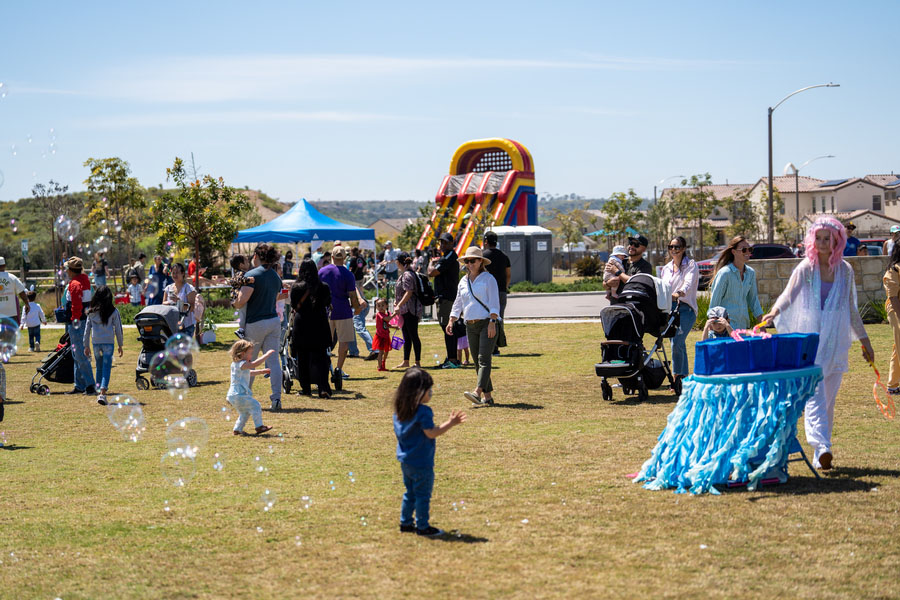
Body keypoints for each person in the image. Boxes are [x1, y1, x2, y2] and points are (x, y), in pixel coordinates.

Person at [760, 216, 874, 471]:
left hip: (835, 342)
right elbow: (788, 295)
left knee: (828, 400)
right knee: (815, 395)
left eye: (827, 238)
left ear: (837, 241)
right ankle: (822, 446)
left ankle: (820, 454)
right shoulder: (806, 268)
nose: (822, 243)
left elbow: (851, 309)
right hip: (811, 342)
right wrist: (774, 312)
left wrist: (866, 342)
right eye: (818, 238)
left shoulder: (845, 270)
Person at [393, 367, 466, 538]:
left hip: (405, 461)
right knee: (422, 496)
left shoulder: (400, 410)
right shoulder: (423, 412)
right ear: (419, 392)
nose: (431, 392)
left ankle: (405, 523)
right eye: (429, 389)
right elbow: (431, 433)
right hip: (421, 462)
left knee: (410, 493)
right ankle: (423, 527)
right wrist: (450, 423)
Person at [448, 246, 501, 407]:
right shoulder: (463, 281)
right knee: (478, 362)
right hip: (470, 325)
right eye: (467, 261)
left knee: (484, 359)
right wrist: (451, 319)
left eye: (473, 261)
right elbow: (458, 302)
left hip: (486, 323)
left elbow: (494, 302)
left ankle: (477, 392)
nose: (469, 264)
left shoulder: (488, 279)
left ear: (480, 261)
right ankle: (488, 397)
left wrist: (492, 322)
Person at [234, 243, 284, 410]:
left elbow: (241, 301)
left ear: (256, 256)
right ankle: (276, 398)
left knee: (249, 362)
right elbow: (276, 297)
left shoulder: (251, 275)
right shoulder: (275, 276)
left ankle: (245, 397)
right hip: (273, 321)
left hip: (255, 323)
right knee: (273, 362)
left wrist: (234, 299)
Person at [318, 246, 362, 385]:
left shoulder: (322, 271)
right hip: (343, 311)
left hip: (325, 311)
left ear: (332, 257)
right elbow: (353, 296)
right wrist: (357, 308)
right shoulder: (348, 274)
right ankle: (338, 369)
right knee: (344, 343)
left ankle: (324, 369)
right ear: (344, 258)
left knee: (323, 343)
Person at [290, 259, 333, 398]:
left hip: (302, 324)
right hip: (319, 323)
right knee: (321, 358)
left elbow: (294, 305)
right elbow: (327, 302)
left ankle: (306, 388)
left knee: (303, 358)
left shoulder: (296, 287)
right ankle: (323, 387)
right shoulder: (324, 287)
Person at [659, 236, 699, 387]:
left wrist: (678, 293)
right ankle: (683, 379)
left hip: (686, 308)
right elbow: (662, 287)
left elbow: (688, 283)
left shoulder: (690, 265)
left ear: (683, 249)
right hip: (670, 309)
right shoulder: (666, 268)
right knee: (675, 343)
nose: (673, 250)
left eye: (677, 247)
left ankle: (678, 378)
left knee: (677, 340)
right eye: (671, 247)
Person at [708, 236, 763, 331]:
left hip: (742, 326)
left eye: (749, 249)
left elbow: (753, 300)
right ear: (733, 252)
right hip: (724, 328)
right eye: (744, 250)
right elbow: (714, 304)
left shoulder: (750, 273)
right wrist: (712, 326)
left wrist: (761, 325)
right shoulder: (725, 273)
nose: (748, 252)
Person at [83, 285, 124, 406]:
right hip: (108, 343)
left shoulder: (91, 312)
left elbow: (86, 330)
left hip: (96, 343)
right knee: (106, 368)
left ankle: (98, 389)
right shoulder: (113, 311)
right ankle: (102, 392)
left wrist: (86, 345)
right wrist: (120, 344)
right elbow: (118, 329)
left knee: (99, 367)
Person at [226, 340, 274, 436]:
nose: (251, 355)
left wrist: (261, 371)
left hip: (233, 395)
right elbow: (254, 365)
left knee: (244, 412)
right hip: (239, 394)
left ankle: (237, 429)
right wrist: (266, 355)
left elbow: (248, 373)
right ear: (242, 353)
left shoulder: (235, 364)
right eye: (250, 353)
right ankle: (259, 426)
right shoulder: (242, 363)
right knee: (256, 405)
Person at [63, 257, 96, 396]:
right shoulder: (85, 280)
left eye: (67, 269)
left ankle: (90, 385)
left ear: (71, 270)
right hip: (84, 321)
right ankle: (79, 385)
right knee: (76, 354)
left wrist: (73, 320)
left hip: (77, 323)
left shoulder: (75, 284)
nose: (66, 271)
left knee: (80, 355)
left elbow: (76, 305)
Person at [428, 233, 460, 368]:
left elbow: (431, 273)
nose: (443, 245)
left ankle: (452, 359)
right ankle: (452, 357)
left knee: (448, 328)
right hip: (447, 297)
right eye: (441, 242)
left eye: (446, 243)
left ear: (452, 243)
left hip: (446, 298)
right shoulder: (447, 256)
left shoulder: (449, 257)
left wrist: (431, 263)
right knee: (449, 328)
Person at [482, 231, 511, 355]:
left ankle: (490, 346)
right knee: (499, 319)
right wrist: (504, 287)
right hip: (501, 291)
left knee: (486, 319)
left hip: (486, 293)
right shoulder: (504, 256)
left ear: (486, 241)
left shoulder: (483, 256)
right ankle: (497, 346)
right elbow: (508, 275)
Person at [393, 252, 423, 369]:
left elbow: (409, 292)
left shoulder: (407, 275)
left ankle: (417, 362)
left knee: (413, 335)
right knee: (406, 336)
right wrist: (398, 302)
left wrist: (399, 305)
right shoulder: (407, 273)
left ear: (399, 262)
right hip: (405, 310)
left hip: (411, 310)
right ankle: (406, 361)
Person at [347, 247, 377, 360]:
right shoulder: (360, 258)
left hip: (359, 304)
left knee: (359, 328)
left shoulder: (350, 268)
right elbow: (364, 266)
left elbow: (354, 290)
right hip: (360, 282)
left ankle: (374, 349)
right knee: (350, 327)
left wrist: (360, 300)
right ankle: (353, 351)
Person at [882, 242, 900, 395]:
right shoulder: (893, 270)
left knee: (898, 346)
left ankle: (893, 385)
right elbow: (893, 297)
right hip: (896, 309)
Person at [162, 263, 198, 336]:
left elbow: (191, 308)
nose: (175, 275)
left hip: (186, 325)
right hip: (172, 325)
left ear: (182, 273)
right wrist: (169, 303)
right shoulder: (168, 288)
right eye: (173, 273)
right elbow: (163, 304)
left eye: (177, 272)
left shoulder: (189, 288)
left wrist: (179, 301)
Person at [227, 254, 254, 339]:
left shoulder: (238, 273)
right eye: (246, 261)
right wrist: (248, 280)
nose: (248, 262)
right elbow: (238, 280)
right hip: (238, 297)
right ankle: (241, 329)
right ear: (241, 265)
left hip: (237, 297)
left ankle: (242, 329)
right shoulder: (241, 273)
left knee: (243, 313)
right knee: (243, 313)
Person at [372, 297, 393, 372]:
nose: (380, 307)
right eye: (378, 306)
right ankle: (380, 366)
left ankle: (383, 363)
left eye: (382, 305)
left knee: (386, 351)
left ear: (386, 306)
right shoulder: (379, 314)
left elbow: (386, 324)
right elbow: (387, 319)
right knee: (381, 352)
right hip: (380, 336)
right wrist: (395, 314)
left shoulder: (386, 314)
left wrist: (394, 327)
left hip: (386, 336)